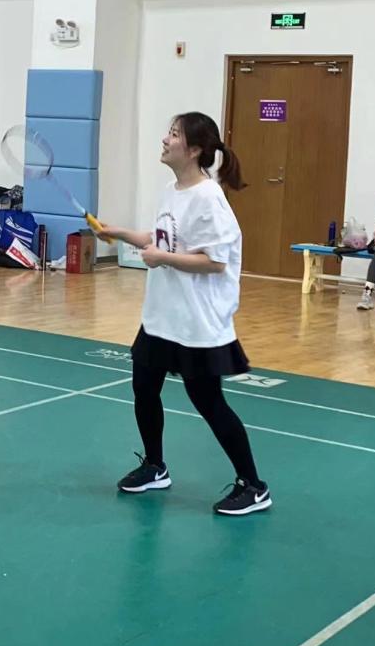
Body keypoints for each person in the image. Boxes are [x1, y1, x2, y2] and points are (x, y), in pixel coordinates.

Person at [96, 112, 271, 516]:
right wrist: (118, 233)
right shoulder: (171, 190)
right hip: (162, 315)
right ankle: (155, 466)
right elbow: (162, 239)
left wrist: (163, 259)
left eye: (173, 134)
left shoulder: (209, 198)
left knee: (208, 401)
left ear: (193, 150)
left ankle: (254, 485)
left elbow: (215, 261)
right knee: (144, 387)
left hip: (196, 320)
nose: (165, 139)